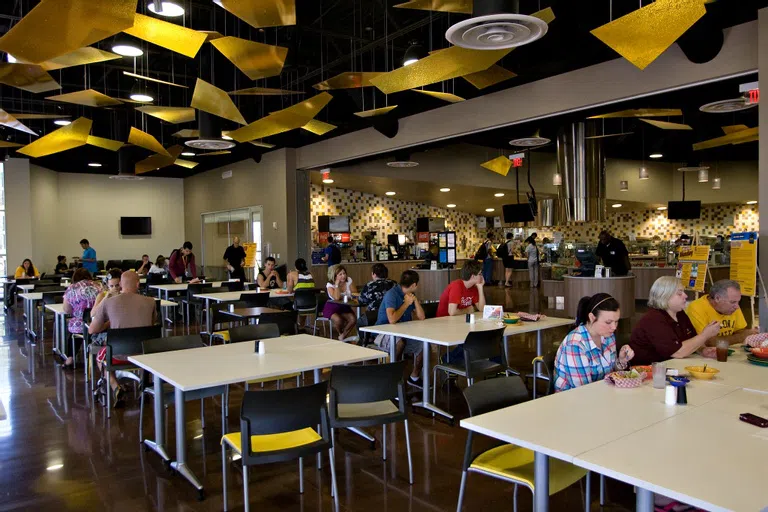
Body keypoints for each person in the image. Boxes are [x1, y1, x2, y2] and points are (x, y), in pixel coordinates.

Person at [89, 271, 157, 407]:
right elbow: (152, 324)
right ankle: (143, 385)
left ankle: (115, 387)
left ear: (120, 285)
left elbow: (92, 329)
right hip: (144, 353)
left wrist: (110, 323)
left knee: (100, 358)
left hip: (117, 355)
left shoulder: (108, 302)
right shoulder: (151, 302)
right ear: (138, 284)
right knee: (142, 344)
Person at [629, 277, 720, 365]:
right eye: (679, 293)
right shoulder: (653, 319)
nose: (685, 295)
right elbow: (678, 352)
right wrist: (705, 335)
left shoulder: (680, 314)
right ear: (665, 296)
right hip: (647, 372)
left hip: (672, 366)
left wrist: (703, 350)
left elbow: (692, 339)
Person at [554, 293, 634, 392]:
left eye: (616, 321)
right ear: (592, 317)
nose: (614, 327)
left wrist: (621, 361)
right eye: (608, 322)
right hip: (574, 402)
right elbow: (583, 392)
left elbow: (611, 375)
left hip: (601, 396)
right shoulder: (575, 344)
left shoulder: (608, 336)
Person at [375, 270, 426, 387]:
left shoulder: (410, 295)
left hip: (404, 332)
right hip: (382, 333)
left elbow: (421, 317)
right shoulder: (391, 294)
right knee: (400, 343)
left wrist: (415, 301)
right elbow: (392, 320)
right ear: (413, 285)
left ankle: (414, 377)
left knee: (424, 344)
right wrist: (406, 304)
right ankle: (393, 379)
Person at [436, 260, 487, 363]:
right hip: (444, 323)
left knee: (484, 335)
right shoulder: (457, 286)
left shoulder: (473, 288)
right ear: (473, 276)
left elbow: (482, 309)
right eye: (480, 274)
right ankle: (448, 359)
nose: (482, 276)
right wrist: (468, 309)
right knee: (473, 339)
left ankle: (496, 365)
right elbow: (452, 312)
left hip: (460, 322)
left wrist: (480, 288)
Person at [685, 279, 756, 345]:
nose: (737, 307)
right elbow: (706, 341)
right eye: (733, 302)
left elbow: (740, 330)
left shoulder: (733, 307)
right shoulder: (696, 307)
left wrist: (751, 333)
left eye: (738, 302)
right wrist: (739, 338)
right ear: (717, 298)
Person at [60, 268, 102, 369]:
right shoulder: (98, 286)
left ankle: (70, 358)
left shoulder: (72, 288)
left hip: (80, 324)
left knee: (75, 328)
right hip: (98, 323)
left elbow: (67, 310)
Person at [323, 265, 357, 342]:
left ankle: (343, 336)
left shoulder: (349, 280)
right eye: (340, 274)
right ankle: (341, 334)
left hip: (344, 306)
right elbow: (337, 298)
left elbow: (355, 293)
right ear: (335, 276)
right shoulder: (330, 284)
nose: (343, 276)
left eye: (344, 273)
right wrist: (337, 285)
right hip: (332, 307)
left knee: (353, 319)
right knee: (338, 320)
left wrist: (351, 297)